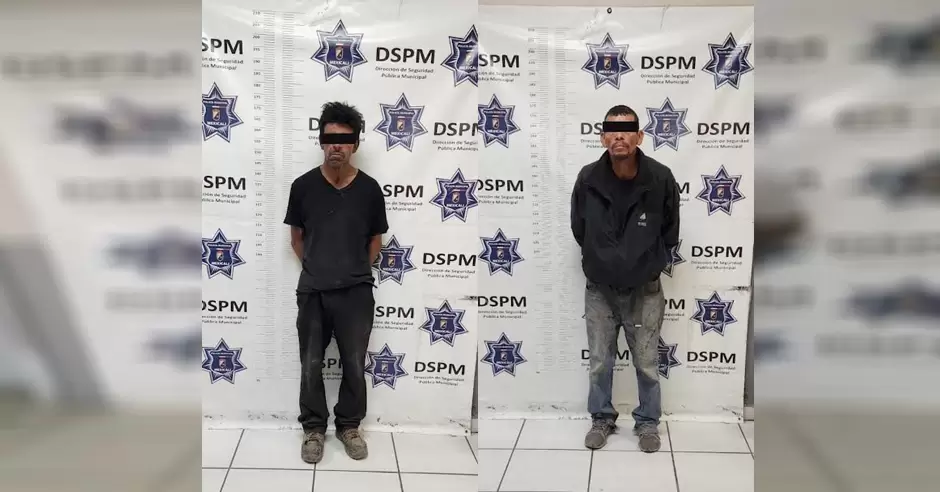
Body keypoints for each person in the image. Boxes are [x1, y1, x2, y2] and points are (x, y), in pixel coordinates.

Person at [569, 105, 681, 453]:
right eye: (612, 130)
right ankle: (601, 419)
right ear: (603, 138)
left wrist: (645, 264)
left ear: (639, 136)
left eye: (628, 129)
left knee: (646, 363)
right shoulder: (587, 179)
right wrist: (604, 261)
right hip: (599, 290)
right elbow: (579, 228)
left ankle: (647, 423)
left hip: (645, 290)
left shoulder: (660, 178)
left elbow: (670, 232)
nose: (620, 135)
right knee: (600, 362)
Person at [283, 101, 388, 463]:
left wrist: (354, 270)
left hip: (356, 293)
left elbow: (375, 240)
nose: (336, 147)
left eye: (344, 140)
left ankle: (349, 426)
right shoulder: (303, 187)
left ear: (355, 144)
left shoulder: (370, 190)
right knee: (311, 363)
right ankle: (313, 429)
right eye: (330, 140)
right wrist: (319, 269)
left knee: (354, 364)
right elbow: (296, 238)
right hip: (313, 292)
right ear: (321, 142)